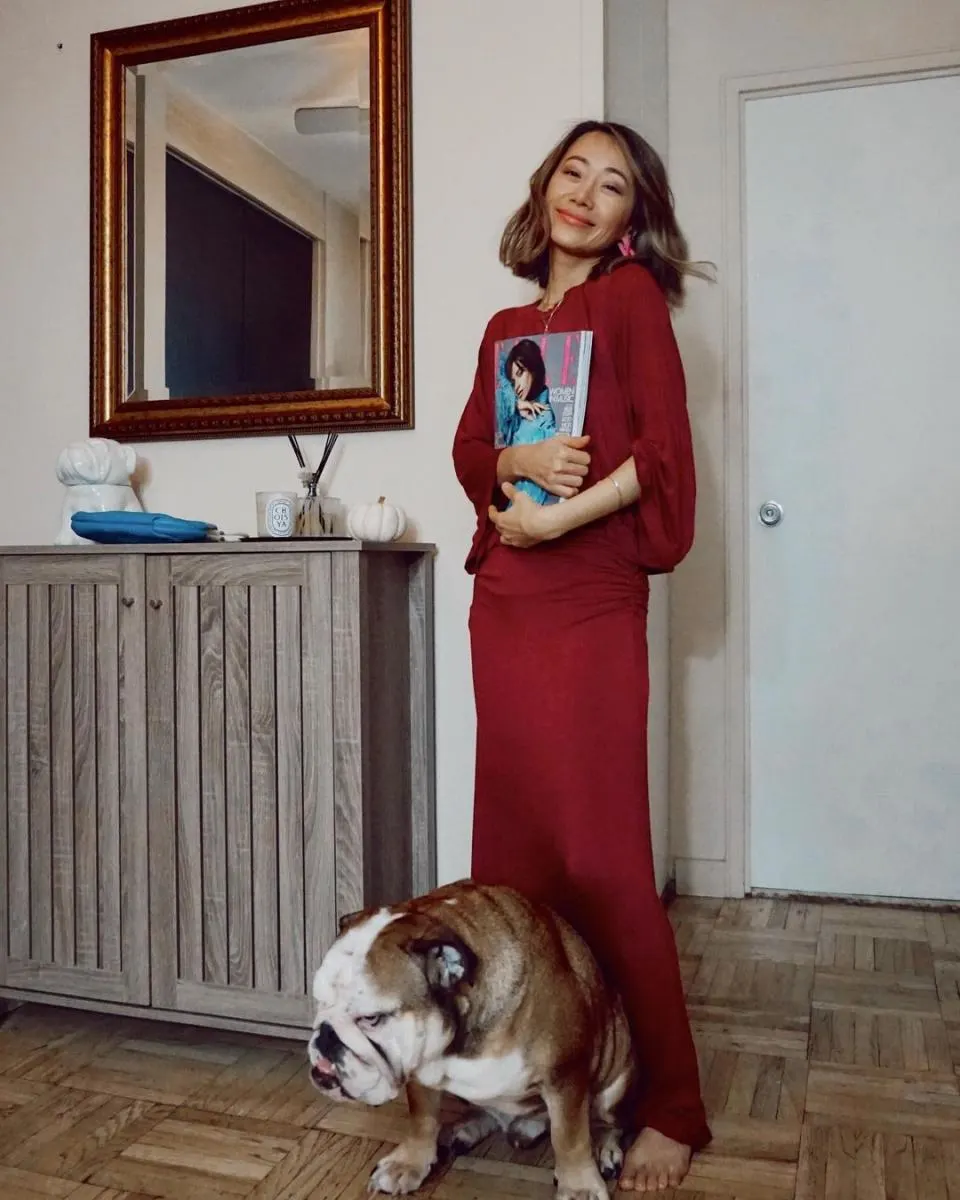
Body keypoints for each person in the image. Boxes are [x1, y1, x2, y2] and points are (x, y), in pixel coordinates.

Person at [452, 119, 712, 1193]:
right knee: (511, 860)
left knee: (604, 860)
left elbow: (660, 454)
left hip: (588, 597)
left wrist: (562, 518)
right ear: (545, 186)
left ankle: (675, 1106)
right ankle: (516, 1077)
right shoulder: (511, 322)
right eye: (574, 173)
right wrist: (515, 460)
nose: (586, 195)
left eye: (613, 186)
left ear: (630, 220)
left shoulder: (630, 301)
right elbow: (473, 450)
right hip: (506, 601)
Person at [500, 338, 557, 504]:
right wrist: (516, 405)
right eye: (513, 380)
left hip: (528, 513)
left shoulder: (542, 417)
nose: (517, 386)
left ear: (534, 369)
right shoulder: (519, 411)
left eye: (520, 373)